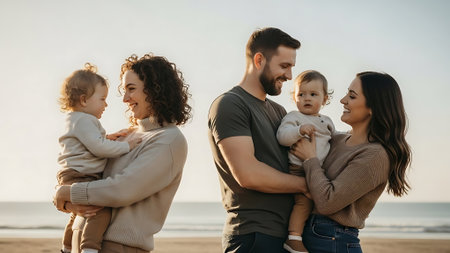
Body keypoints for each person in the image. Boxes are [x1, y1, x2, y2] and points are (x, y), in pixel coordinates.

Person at [54, 53, 192, 253]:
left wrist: (66, 193)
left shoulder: (169, 140)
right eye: (124, 90)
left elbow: (121, 190)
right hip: (82, 244)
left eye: (131, 89)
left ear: (154, 90)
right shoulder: (129, 136)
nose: (125, 98)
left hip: (118, 247)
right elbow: (82, 172)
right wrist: (65, 201)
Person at [208, 27, 308, 253]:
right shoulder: (230, 105)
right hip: (252, 236)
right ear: (259, 60)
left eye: (292, 67)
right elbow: (249, 174)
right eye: (284, 66)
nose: (290, 76)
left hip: (284, 235)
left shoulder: (281, 112)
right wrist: (307, 186)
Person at [291, 71, 411, 253]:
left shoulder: (375, 156)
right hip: (311, 232)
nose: (342, 100)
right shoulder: (335, 139)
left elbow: (327, 203)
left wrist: (310, 159)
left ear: (373, 107)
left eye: (352, 96)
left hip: (334, 240)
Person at [57, 63, 142, 253]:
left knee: (77, 213)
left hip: (71, 174)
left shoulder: (75, 120)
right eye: (102, 99)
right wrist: (126, 145)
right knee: (100, 211)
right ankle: (89, 248)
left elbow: (91, 142)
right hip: (81, 176)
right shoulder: (85, 120)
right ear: (84, 100)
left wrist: (108, 137)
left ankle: (66, 247)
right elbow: (99, 148)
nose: (106, 104)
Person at [276, 70, 335, 253]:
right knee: (304, 203)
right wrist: (299, 130)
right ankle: (293, 238)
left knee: (321, 202)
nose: (306, 98)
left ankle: (308, 233)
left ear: (325, 99)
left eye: (313, 94)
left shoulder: (326, 121)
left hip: (318, 169)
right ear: (294, 97)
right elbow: (282, 137)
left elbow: (335, 139)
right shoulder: (294, 117)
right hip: (299, 168)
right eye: (301, 94)